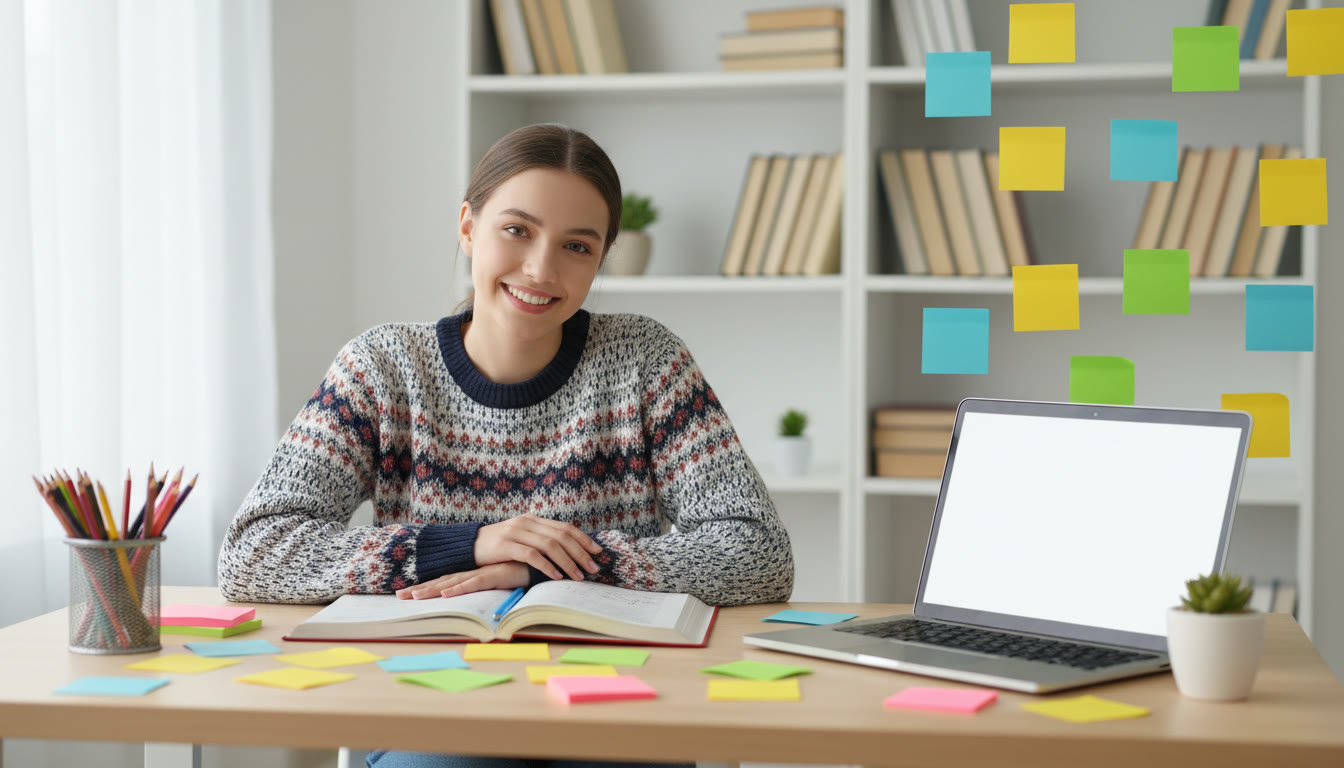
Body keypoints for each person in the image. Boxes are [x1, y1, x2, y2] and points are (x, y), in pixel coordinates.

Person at [218, 123, 794, 768]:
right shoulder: (380, 367)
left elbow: (759, 552)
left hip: (618, 693)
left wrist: (546, 565)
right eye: (517, 230)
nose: (541, 269)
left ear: (601, 259)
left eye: (577, 246)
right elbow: (254, 551)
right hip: (434, 702)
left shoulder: (646, 361)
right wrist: (467, 544)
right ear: (468, 227)